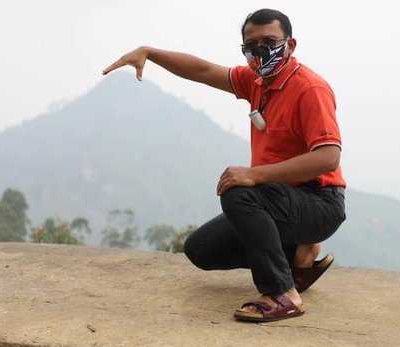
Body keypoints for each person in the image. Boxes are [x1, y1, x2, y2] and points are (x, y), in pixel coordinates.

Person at [102, 8, 346, 322]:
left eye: (269, 41)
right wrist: (149, 53)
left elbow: (328, 157)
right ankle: (298, 257)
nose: (260, 51)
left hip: (319, 202)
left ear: (291, 44)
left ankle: (282, 293)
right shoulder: (256, 82)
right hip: (280, 200)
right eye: (251, 45)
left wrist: (254, 174)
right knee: (201, 248)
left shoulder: (310, 89)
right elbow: (203, 71)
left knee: (238, 191)